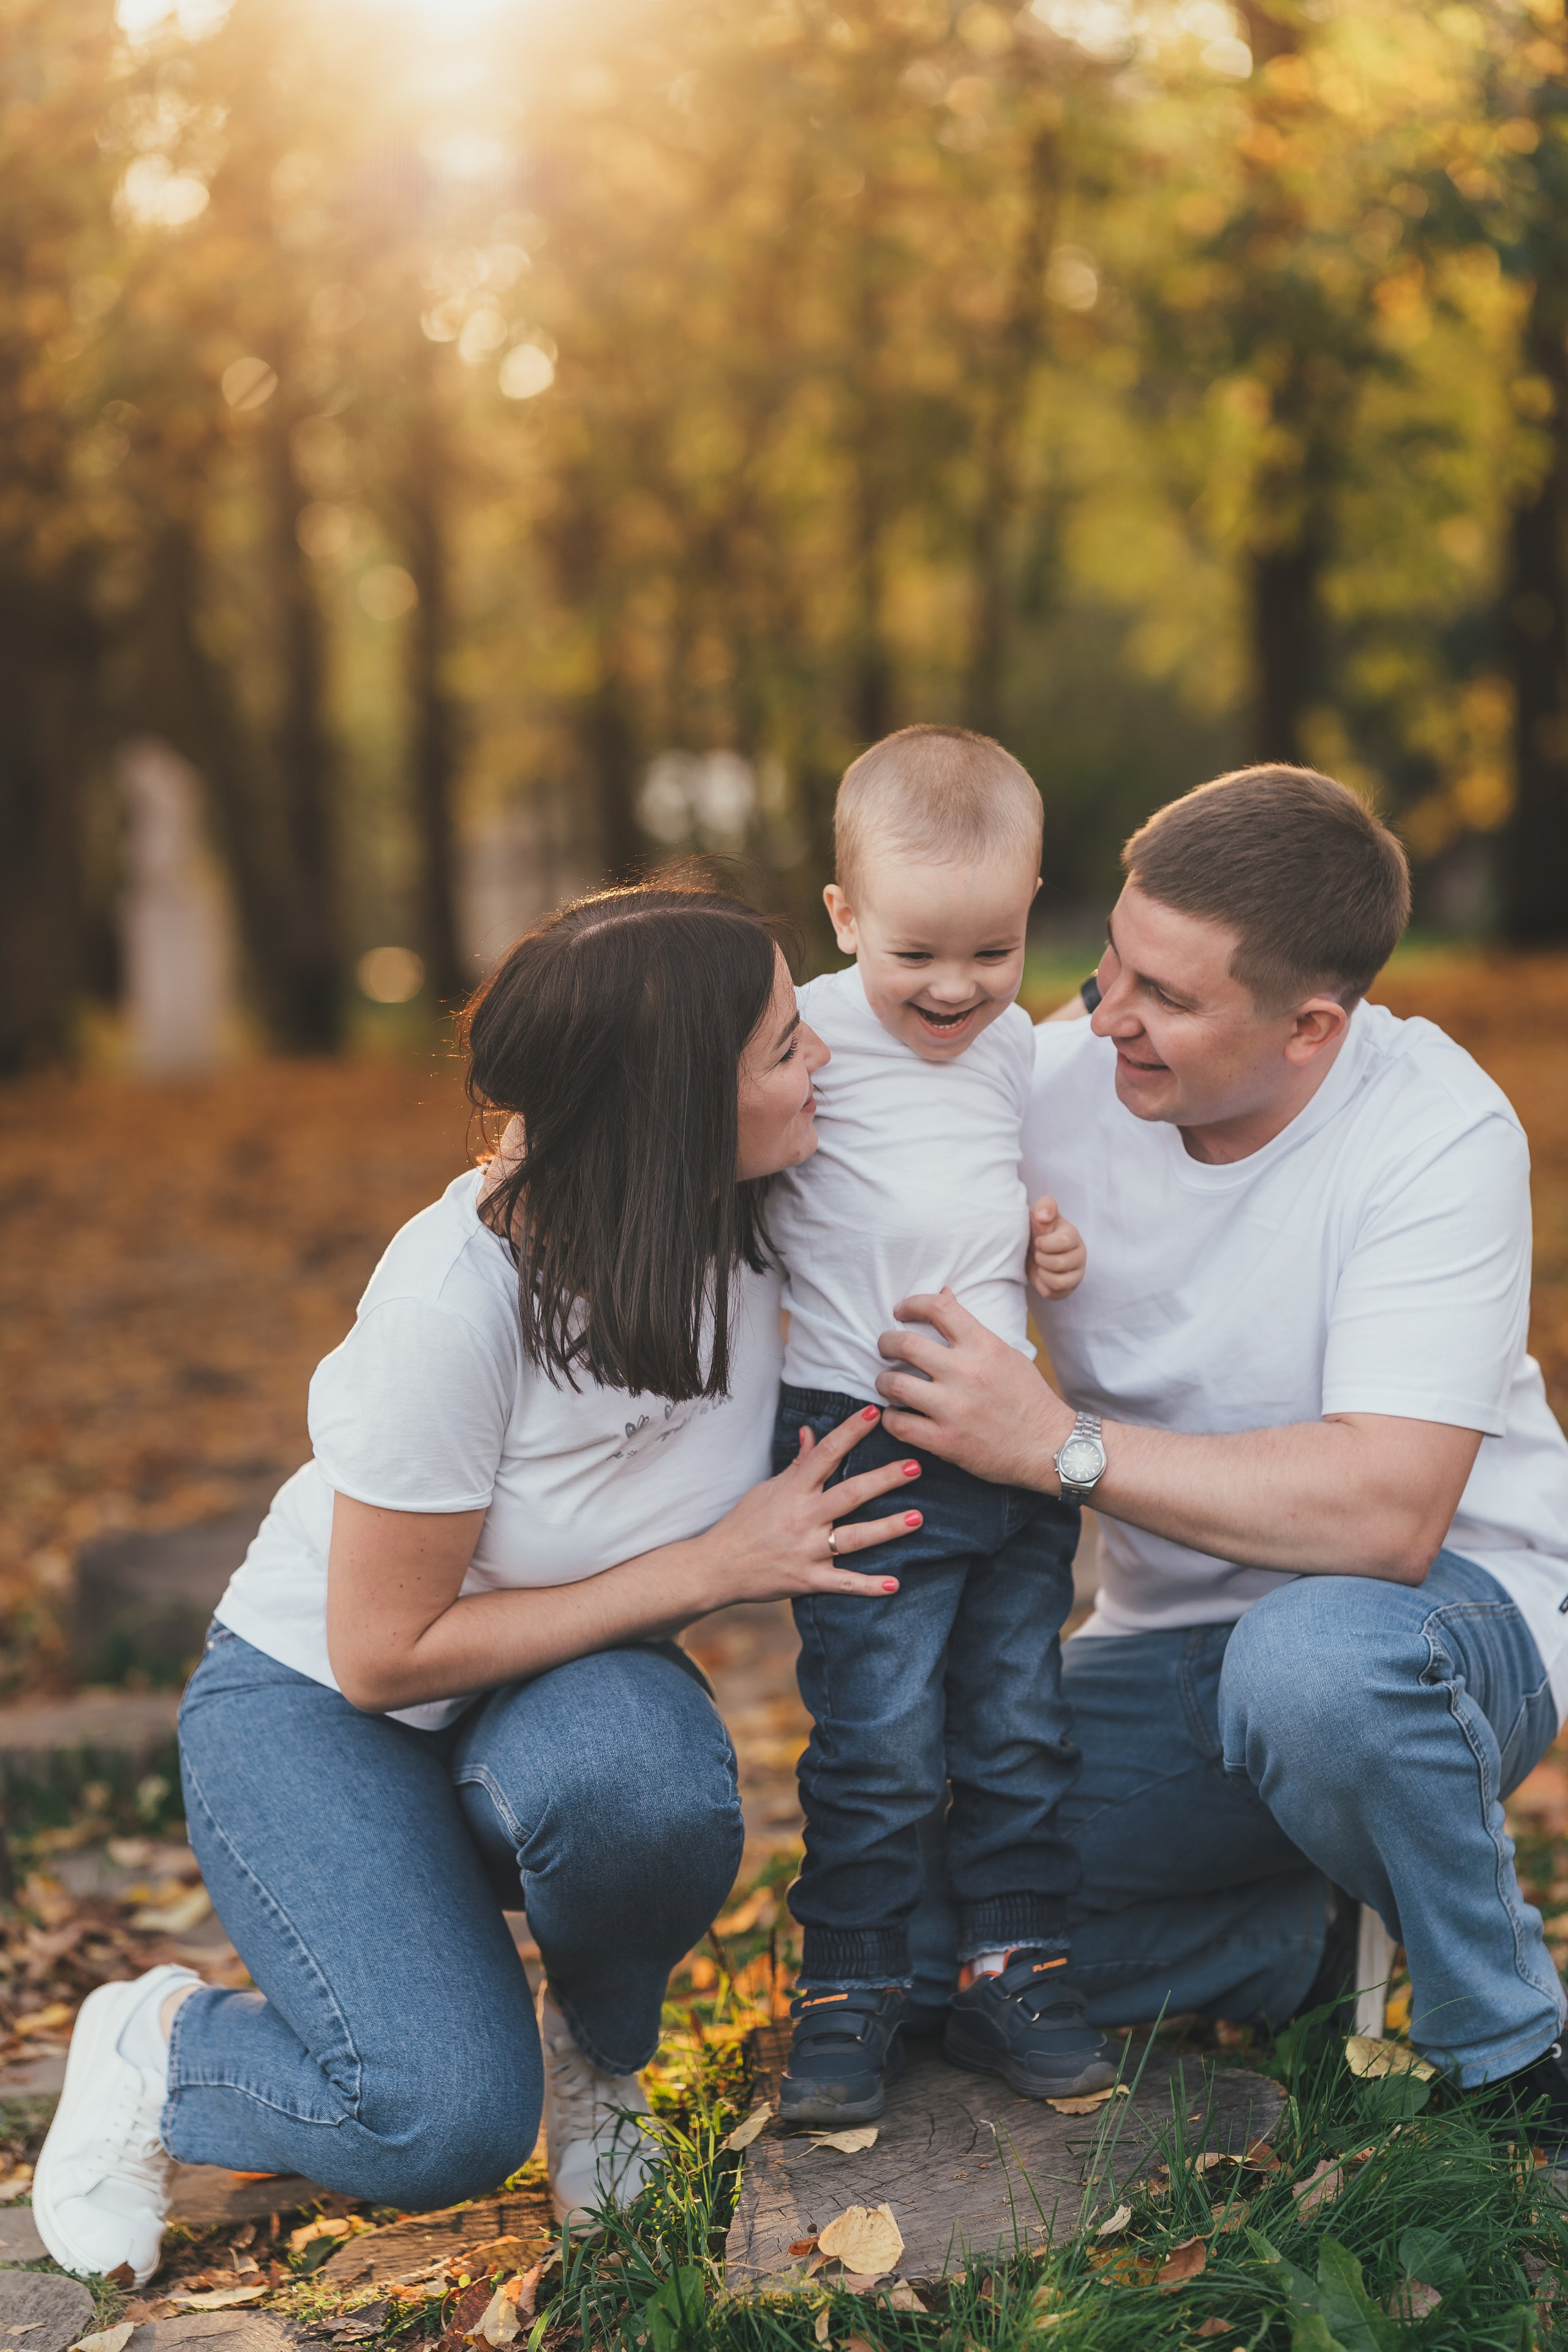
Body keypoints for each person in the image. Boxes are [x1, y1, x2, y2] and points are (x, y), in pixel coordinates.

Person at [33, 881, 921, 2288]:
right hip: (323, 1707)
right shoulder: (451, 1304)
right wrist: (708, 1564)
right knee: (437, 2124)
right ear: (670, 1110)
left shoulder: (757, 1207)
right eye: (777, 1046)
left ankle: (601, 2060)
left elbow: (984, 1105)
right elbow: (382, 1652)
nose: (819, 1054)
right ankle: (162, 2048)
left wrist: (1041, 1254)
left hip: (549, 1700)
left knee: (645, 1787)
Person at [872, 764, 1568, 2114]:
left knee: (1310, 1667)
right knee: (893, 1926)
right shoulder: (1054, 1082)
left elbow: (1386, 1516)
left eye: (1169, 1001)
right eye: (1106, 969)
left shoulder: (1432, 1134)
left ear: (1310, 1027)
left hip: (1429, 1638)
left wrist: (1054, 1444)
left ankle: (1509, 2053)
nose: (1107, 1019)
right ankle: (1274, 1945)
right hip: (1163, 1661)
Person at [766, 725, 1115, 2125]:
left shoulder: (1011, 1046)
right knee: (879, 1738)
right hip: (862, 1440)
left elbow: (975, 1177)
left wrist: (1041, 1245)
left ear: (1030, 907)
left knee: (1018, 1725)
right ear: (845, 918)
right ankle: (850, 1986)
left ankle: (1010, 1967)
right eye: (915, 954)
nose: (955, 989)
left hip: (1012, 1440)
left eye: (990, 950)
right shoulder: (801, 1030)